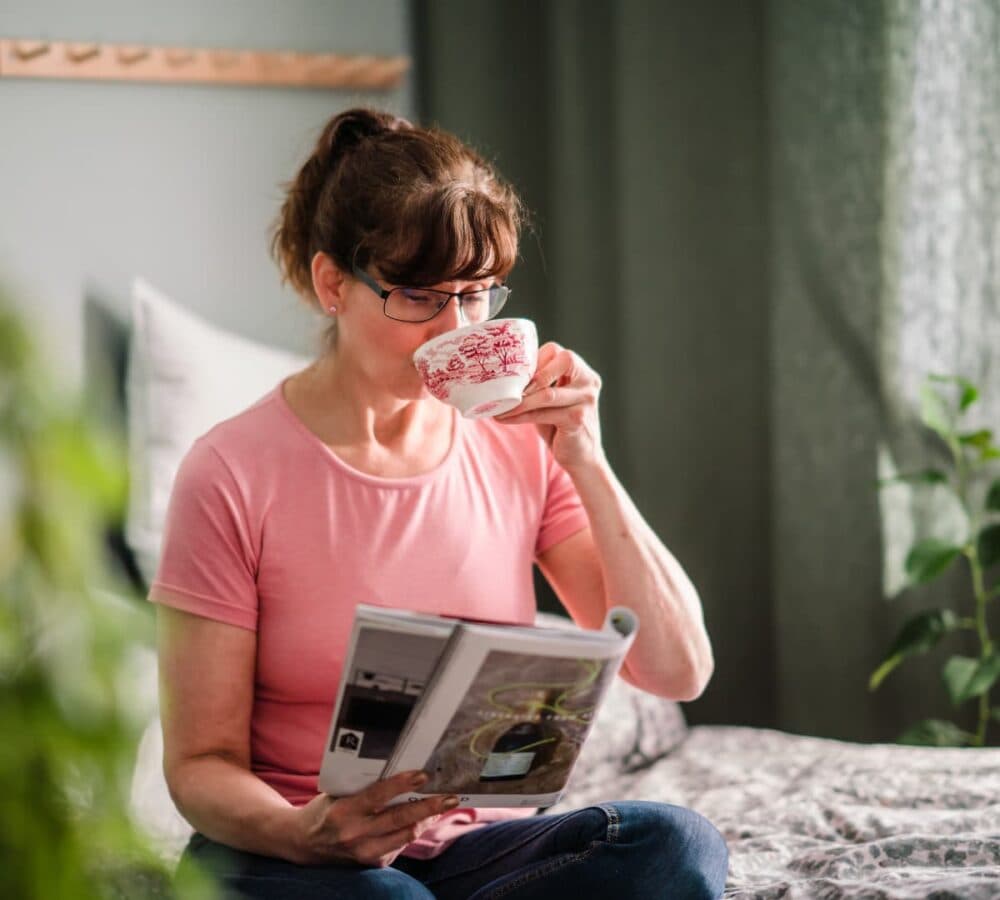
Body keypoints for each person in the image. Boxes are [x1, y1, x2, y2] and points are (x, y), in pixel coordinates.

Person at [155, 107, 729, 900]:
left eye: (479, 294)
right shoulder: (229, 472)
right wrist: (308, 832)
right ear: (333, 285)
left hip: (469, 851)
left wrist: (586, 459)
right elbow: (198, 767)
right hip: (284, 847)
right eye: (423, 297)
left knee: (674, 845)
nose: (456, 330)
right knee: (389, 899)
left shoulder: (517, 443)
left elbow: (678, 669)